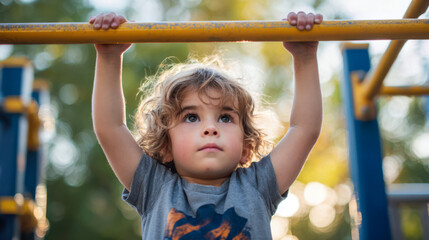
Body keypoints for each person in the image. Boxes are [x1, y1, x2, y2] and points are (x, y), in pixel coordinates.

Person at [90, 11, 323, 239]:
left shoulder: (258, 187)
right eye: (191, 117)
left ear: (246, 148)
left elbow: (303, 130)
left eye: (225, 118)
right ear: (165, 146)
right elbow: (111, 129)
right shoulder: (155, 188)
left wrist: (305, 56)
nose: (210, 128)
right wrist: (109, 58)